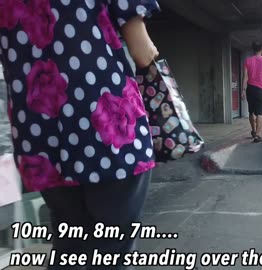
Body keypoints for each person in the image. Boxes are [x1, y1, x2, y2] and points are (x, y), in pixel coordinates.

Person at [0, 1, 160, 269]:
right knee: (112, 250)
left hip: (39, 136)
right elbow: (143, 53)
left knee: (69, 246)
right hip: (107, 130)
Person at [242, 41, 262, 143]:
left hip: (250, 89)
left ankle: (253, 130)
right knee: (260, 113)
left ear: (253, 49)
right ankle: (258, 134)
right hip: (261, 90)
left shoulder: (247, 61)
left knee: (251, 111)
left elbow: (245, 77)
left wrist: (243, 90)